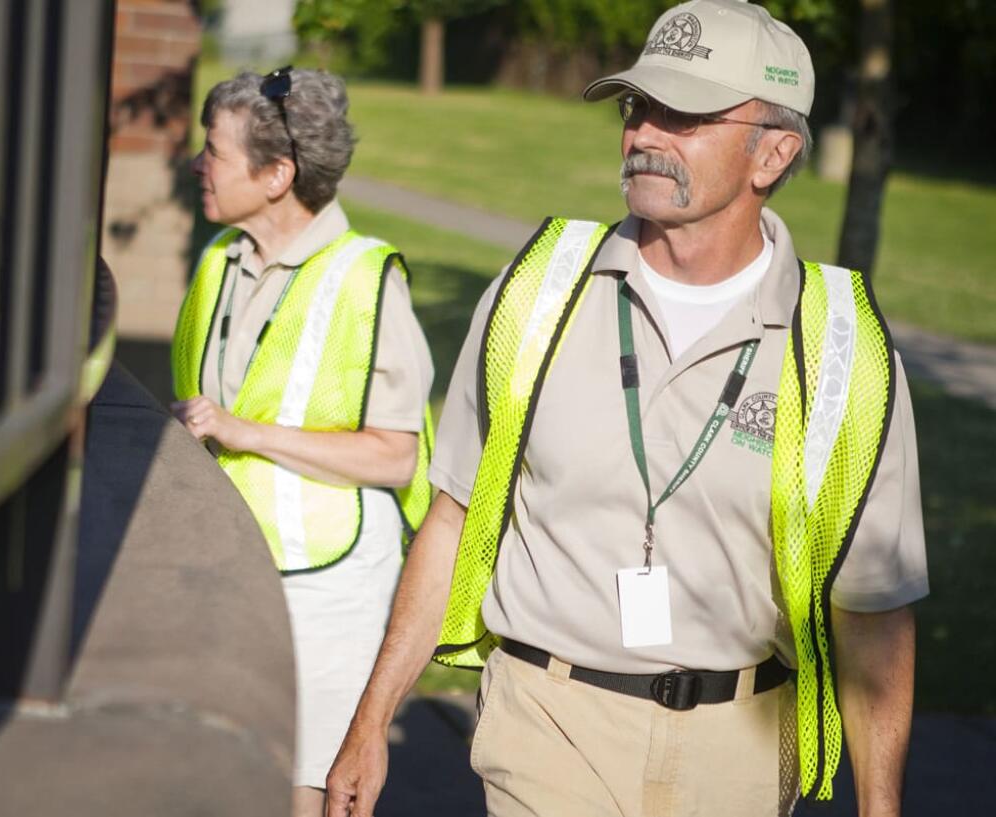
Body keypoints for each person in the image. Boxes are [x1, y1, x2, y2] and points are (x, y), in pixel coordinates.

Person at [327, 2, 927, 816]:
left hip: (744, 748)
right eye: (637, 106)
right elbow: (454, 518)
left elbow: (873, 608)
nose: (645, 134)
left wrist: (881, 806)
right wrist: (371, 720)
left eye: (684, 115)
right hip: (549, 722)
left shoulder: (846, 353)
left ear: (773, 152)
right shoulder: (535, 292)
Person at [169, 67, 434, 817]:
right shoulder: (221, 256)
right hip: (228, 568)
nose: (197, 164)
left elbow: (397, 453)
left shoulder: (365, 277)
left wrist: (242, 430)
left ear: (278, 174)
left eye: (213, 151)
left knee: (299, 794)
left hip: (327, 582)